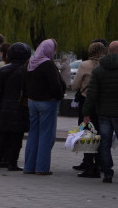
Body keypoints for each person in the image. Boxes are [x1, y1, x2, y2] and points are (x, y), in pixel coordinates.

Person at [22, 39, 66, 175]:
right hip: (47, 102)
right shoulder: (48, 64)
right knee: (46, 136)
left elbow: (24, 82)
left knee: (33, 134)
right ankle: (42, 168)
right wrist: (59, 96)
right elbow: (56, 86)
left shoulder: (29, 63)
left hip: (32, 102)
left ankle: (29, 167)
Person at [0, 42, 31, 171]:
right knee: (17, 137)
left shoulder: (4, 70)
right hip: (20, 106)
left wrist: (1, 96)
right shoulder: (26, 71)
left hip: (5, 106)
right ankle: (12, 163)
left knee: (3, 135)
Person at [82, 41, 118, 184]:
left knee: (104, 143)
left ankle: (107, 173)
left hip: (103, 112)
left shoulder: (98, 70)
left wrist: (86, 112)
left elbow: (92, 94)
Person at [70, 41, 106, 177]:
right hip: (103, 102)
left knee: (87, 133)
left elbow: (74, 86)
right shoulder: (106, 64)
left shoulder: (85, 65)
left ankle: (89, 164)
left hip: (86, 102)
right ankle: (101, 163)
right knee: (101, 132)